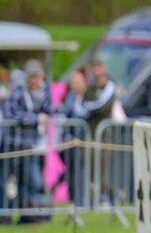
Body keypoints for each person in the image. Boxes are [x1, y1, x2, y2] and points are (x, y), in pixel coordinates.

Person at [4, 59, 53, 221]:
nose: (34, 80)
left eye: (37, 76)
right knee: (7, 182)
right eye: (31, 77)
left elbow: (50, 111)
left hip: (32, 145)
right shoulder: (18, 92)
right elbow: (11, 114)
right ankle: (5, 216)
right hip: (12, 145)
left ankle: (30, 216)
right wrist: (35, 118)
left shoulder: (45, 92)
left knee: (32, 182)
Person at [56, 69, 92, 206]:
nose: (74, 85)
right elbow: (65, 117)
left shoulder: (90, 96)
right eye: (73, 82)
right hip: (69, 142)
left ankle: (81, 202)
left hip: (83, 142)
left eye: (77, 82)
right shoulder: (69, 97)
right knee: (71, 171)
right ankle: (73, 201)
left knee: (80, 172)